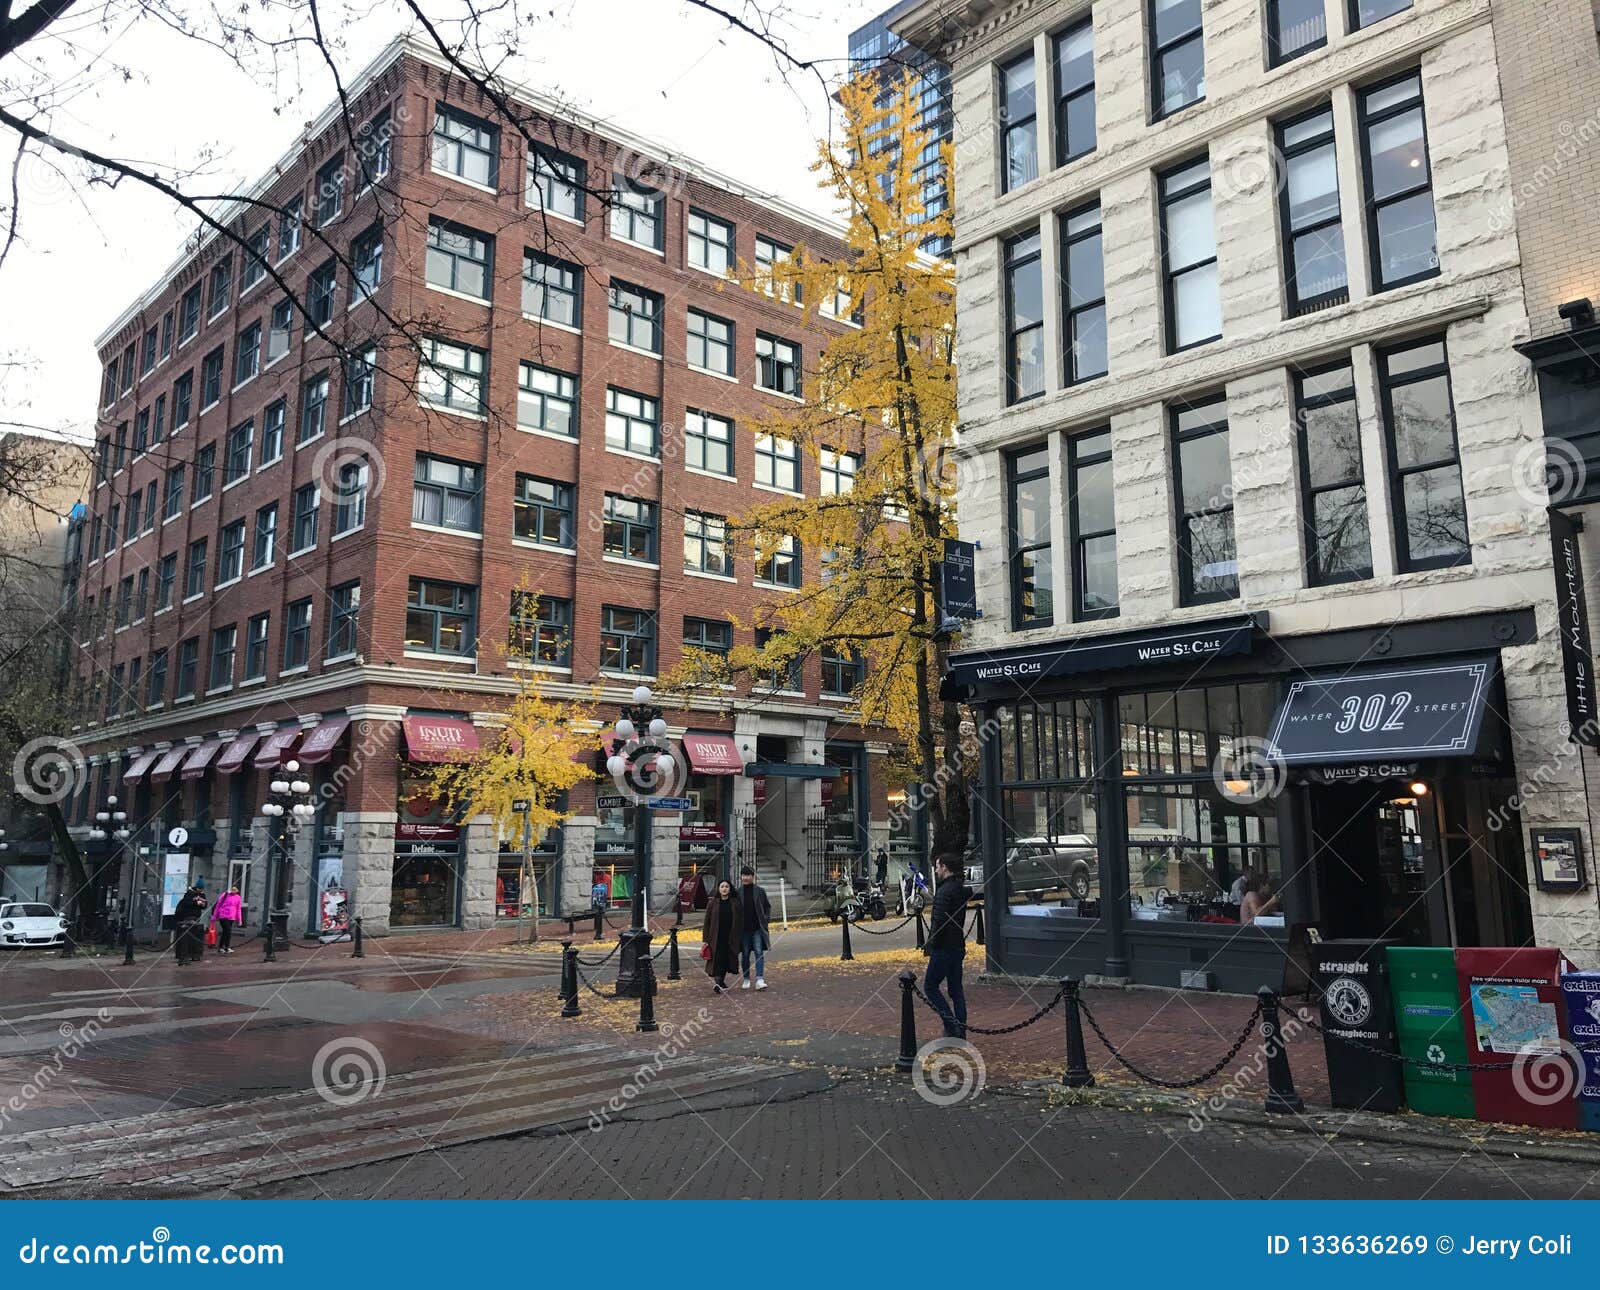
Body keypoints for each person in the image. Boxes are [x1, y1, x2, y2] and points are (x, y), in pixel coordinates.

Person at [923, 853, 972, 1038]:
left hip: (944, 947)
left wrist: (931, 943)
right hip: (957, 945)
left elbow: (939, 921)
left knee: (930, 986)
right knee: (956, 989)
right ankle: (961, 1028)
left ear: (945, 867)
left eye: (937, 866)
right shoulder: (959, 889)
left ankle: (951, 1025)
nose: (936, 870)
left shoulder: (944, 892)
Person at [701, 877, 743, 994]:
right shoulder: (713, 903)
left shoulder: (735, 902)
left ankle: (721, 982)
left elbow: (740, 920)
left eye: (726, 887)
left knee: (725, 959)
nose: (724, 889)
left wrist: (739, 936)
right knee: (717, 959)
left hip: (729, 936)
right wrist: (705, 938)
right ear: (718, 889)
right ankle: (718, 983)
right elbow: (707, 921)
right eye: (722, 887)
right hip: (716, 937)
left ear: (730, 889)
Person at [737, 865, 771, 991]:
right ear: (741, 877)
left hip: (757, 928)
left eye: (748, 875)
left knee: (759, 952)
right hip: (744, 929)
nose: (745, 878)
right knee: (745, 954)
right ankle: (746, 978)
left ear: (753, 877)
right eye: (743, 875)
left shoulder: (760, 891)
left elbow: (767, 906)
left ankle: (760, 979)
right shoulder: (737, 892)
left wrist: (766, 919)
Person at [172, 881, 208, 965]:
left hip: (196, 917)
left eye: (202, 889)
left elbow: (204, 905)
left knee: (194, 936)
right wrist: (196, 902)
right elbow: (187, 903)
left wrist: (202, 904)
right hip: (187, 917)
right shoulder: (189, 894)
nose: (200, 890)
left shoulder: (202, 895)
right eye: (199, 888)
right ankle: (185, 955)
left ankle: (194, 954)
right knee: (187, 936)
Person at [211, 884, 243, 955]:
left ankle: (221, 947)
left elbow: (238, 909)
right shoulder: (224, 895)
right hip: (223, 916)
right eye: (232, 889)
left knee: (225, 932)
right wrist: (214, 916)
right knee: (228, 931)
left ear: (237, 891)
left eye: (235, 889)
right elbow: (218, 906)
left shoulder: (238, 898)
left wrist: (239, 919)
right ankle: (227, 947)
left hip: (231, 917)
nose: (233, 890)